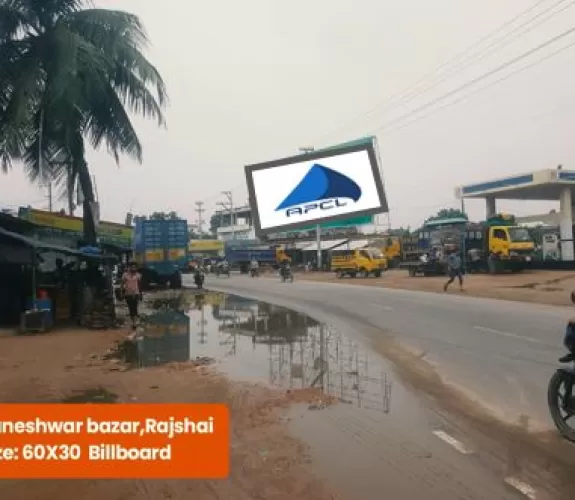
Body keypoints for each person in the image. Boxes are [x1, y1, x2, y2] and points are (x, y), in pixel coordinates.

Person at [122, 262, 142, 329]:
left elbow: (140, 285)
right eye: (132, 267)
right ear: (130, 268)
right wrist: (121, 292)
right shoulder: (125, 275)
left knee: (135, 308)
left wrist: (141, 294)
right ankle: (133, 321)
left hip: (136, 293)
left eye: (135, 267)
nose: (133, 268)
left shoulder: (138, 275)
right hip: (128, 294)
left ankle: (135, 323)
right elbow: (122, 284)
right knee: (130, 308)